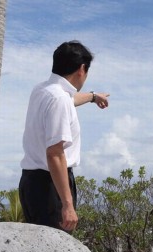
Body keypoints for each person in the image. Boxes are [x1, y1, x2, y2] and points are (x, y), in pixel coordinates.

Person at [19, 41, 109, 232]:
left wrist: (93, 96)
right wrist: (68, 205)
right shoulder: (59, 99)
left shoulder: (42, 90)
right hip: (50, 186)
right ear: (82, 69)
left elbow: (69, 99)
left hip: (32, 182)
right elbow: (55, 153)